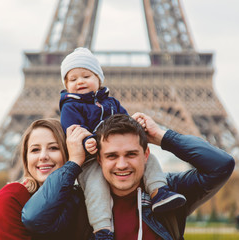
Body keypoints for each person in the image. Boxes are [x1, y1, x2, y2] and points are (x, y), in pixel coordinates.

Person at [23, 113, 235, 239]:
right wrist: (74, 162)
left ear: (146, 154)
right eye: (112, 156)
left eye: (131, 154)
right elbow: (34, 219)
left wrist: (162, 136)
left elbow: (221, 165)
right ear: (99, 159)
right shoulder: (80, 202)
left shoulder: (168, 195)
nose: (122, 164)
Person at [59, 47, 186, 235]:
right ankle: (102, 228)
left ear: (99, 80)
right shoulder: (71, 106)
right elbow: (73, 130)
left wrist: (137, 126)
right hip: (90, 158)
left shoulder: (112, 102)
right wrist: (87, 140)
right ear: (66, 85)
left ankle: (159, 191)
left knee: (147, 159)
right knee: (95, 187)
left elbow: (126, 121)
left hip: (113, 151)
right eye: (73, 79)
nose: (80, 82)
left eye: (86, 76)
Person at [0, 119, 91, 239]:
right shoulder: (12, 197)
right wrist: (74, 162)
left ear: (68, 152)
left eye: (53, 148)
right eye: (35, 150)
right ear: (26, 159)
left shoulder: (78, 199)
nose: (43, 156)